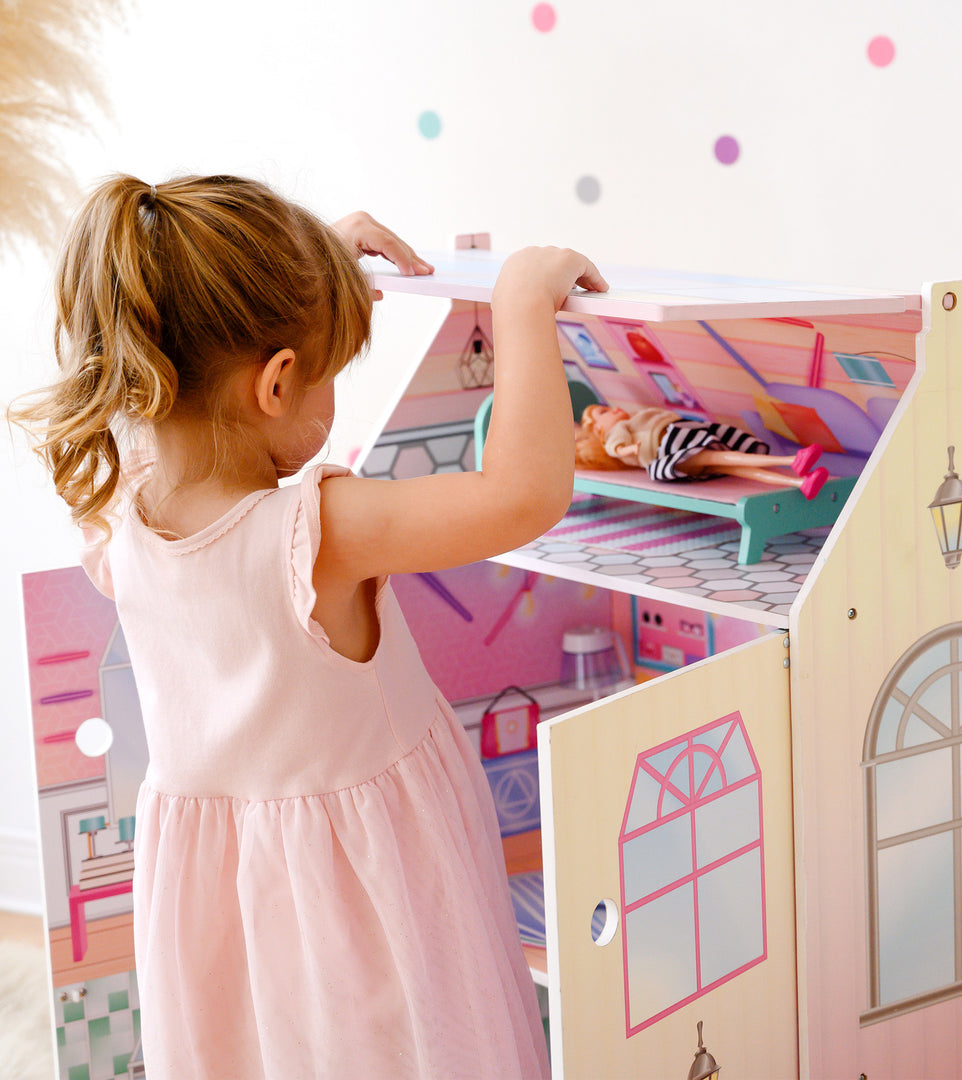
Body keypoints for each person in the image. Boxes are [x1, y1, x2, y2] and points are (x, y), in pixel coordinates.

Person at [11, 173, 607, 1079]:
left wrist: (294, 280)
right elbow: (524, 495)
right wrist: (521, 302)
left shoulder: (116, 503)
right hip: (368, 900)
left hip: (219, 908)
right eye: (331, 370)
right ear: (278, 381)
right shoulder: (320, 533)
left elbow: (194, 349)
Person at [574, 403, 829, 499]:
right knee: (727, 458)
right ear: (598, 430)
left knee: (735, 466)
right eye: (603, 412)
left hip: (678, 443)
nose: (613, 409)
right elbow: (617, 447)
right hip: (672, 446)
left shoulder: (631, 422)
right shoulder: (616, 433)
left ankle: (799, 483)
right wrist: (628, 447)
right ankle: (792, 460)